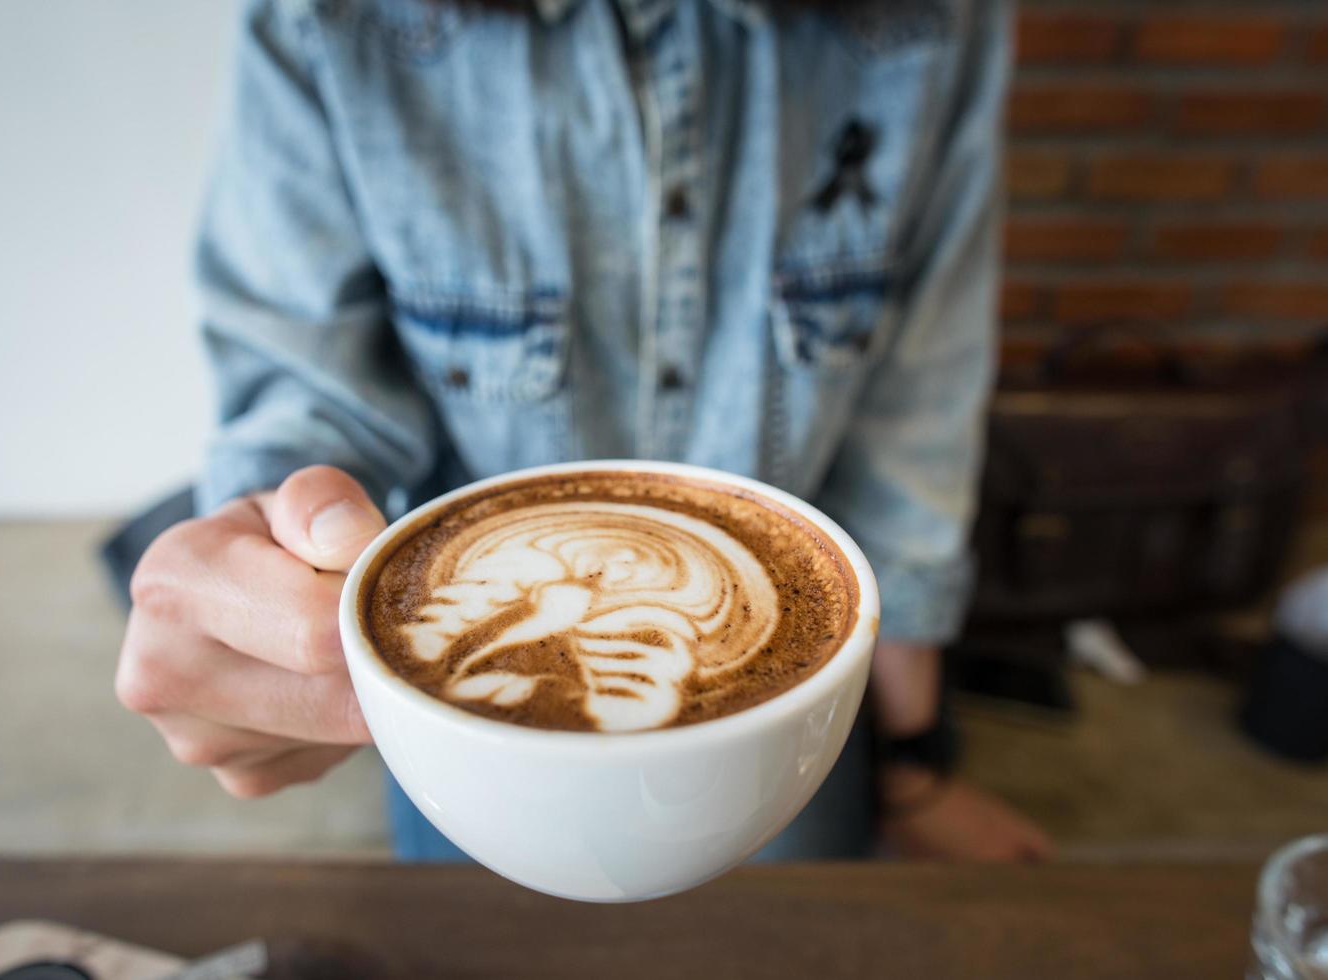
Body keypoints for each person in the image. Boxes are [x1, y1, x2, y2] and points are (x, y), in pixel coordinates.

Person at [116, 0, 1054, 862]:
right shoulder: (325, 21)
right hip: (466, 712)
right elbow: (312, 393)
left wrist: (912, 765)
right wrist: (273, 571)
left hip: (794, 695)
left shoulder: (932, 20)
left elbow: (916, 409)